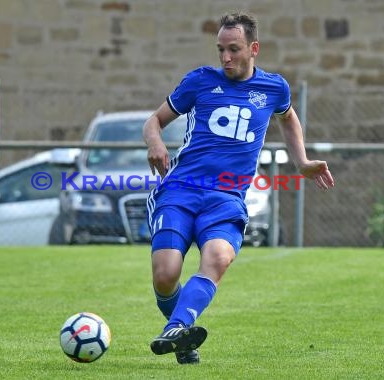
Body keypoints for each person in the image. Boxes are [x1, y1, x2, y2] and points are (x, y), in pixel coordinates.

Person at [142, 11, 335, 365]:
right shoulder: (199, 81)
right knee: (166, 275)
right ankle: (182, 335)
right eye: (220, 50)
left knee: (217, 258)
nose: (226, 58)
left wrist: (303, 162)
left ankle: (178, 326)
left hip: (227, 198)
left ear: (253, 48)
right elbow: (154, 121)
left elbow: (288, 118)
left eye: (234, 49)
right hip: (181, 191)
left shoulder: (274, 88)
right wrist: (155, 142)